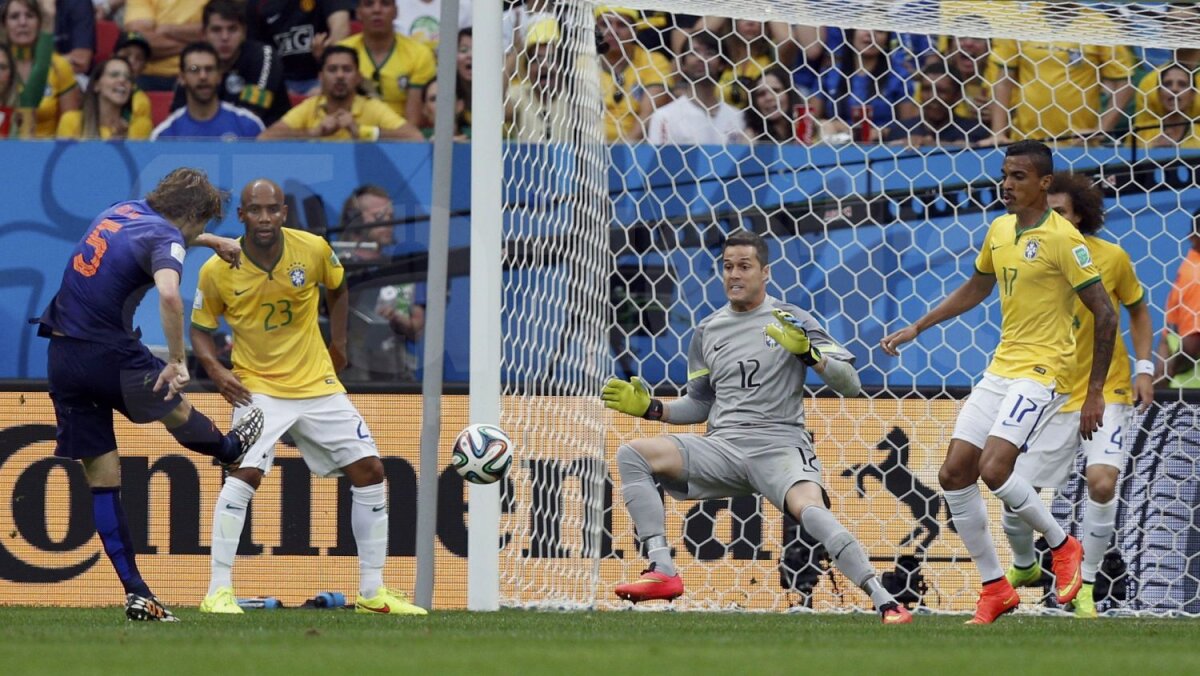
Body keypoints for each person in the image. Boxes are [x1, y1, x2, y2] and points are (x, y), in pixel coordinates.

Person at [602, 229, 912, 624]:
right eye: (727, 266)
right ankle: (662, 569)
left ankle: (885, 600)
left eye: (744, 266)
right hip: (724, 447)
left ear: (765, 272)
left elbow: (850, 384)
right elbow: (700, 403)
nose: (734, 275)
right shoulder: (708, 330)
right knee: (632, 454)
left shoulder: (792, 320)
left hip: (780, 447)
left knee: (811, 511)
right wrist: (652, 408)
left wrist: (809, 354)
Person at [880, 141, 1118, 624]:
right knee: (953, 474)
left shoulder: (1063, 239)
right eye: (1004, 175)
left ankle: (1062, 545)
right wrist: (918, 326)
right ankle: (995, 587)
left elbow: (1106, 314)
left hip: (1044, 370)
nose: (1006, 185)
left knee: (993, 468)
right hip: (1002, 368)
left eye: (1018, 177)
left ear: (1044, 183)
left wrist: (1094, 391)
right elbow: (977, 287)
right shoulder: (1000, 229)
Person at [32, 168, 265, 621]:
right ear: (192, 214)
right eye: (203, 224)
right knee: (174, 404)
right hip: (108, 354)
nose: (199, 232)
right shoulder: (168, 238)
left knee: (103, 481)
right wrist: (177, 360)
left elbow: (150, 239)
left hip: (62, 355)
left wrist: (210, 242)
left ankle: (137, 593)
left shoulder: (120, 211)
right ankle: (228, 448)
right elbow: (171, 295)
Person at [190, 178, 426, 616]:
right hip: (258, 387)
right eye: (255, 210)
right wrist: (216, 370)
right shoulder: (217, 269)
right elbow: (201, 331)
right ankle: (217, 592)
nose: (265, 218)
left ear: (284, 213)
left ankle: (372, 593)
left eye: (273, 209)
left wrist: (339, 343)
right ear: (241, 215)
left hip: (316, 383)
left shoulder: (313, 249)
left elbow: (337, 286)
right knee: (244, 474)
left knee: (371, 470)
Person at [998, 172, 1153, 619]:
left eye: (1061, 212)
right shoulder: (1033, 253)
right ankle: (1025, 565)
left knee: (1102, 482)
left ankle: (1085, 585)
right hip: (1053, 389)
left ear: (1080, 215)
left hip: (1107, 390)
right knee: (1015, 492)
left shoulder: (1112, 258)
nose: (1053, 218)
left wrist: (1145, 368)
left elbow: (1138, 311)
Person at [987, 3, 1134, 144]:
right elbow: (1003, 82)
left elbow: (1124, 84)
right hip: (1026, 139)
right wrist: (998, 133)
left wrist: (1102, 129)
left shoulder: (1100, 25)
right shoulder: (1020, 22)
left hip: (1079, 142)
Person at [338, 185, 426, 382]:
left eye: (390, 216)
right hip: (344, 374)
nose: (388, 223)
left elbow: (416, 329)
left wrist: (397, 317)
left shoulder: (401, 269)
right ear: (355, 219)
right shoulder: (333, 265)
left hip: (391, 374)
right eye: (379, 216)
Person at [259, 45, 421, 140]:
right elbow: (265, 138)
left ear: (358, 77)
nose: (340, 76)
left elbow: (415, 137)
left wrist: (362, 131)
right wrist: (314, 132)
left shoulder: (372, 107)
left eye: (347, 69)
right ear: (321, 77)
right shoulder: (309, 107)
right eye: (332, 69)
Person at [169, 0, 290, 127]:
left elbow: (250, 117)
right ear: (204, 34)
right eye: (216, 30)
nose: (225, 37)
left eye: (232, 29)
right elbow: (178, 117)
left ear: (244, 32)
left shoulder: (263, 56)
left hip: (265, 136)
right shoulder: (195, 63)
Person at [337, 0, 436, 128]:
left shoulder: (419, 54)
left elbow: (413, 122)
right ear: (358, 13)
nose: (377, 10)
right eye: (368, 4)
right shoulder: (341, 52)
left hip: (401, 133)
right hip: (349, 132)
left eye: (385, 4)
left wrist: (371, 134)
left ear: (396, 12)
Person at [646, 33, 747, 145]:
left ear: (722, 64)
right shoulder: (664, 117)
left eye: (710, 53)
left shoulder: (737, 117)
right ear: (683, 65)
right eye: (693, 53)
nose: (701, 58)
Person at [151, 42, 264, 139]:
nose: (203, 76)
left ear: (219, 76)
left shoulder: (249, 125)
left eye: (209, 69)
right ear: (182, 78)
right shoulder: (165, 134)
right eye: (194, 69)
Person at [4, 0, 80, 138]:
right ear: (3, 25)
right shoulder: (2, 66)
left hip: (48, 148)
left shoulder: (59, 65)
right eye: (14, 17)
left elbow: (70, 123)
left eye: (30, 16)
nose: (23, 23)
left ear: (40, 23)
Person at [245, 0, 353, 95]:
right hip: (279, 79)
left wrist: (326, 58)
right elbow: (254, 51)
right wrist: (277, 91)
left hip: (318, 76)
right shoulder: (257, 4)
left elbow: (341, 30)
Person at [884, 61, 988, 147]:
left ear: (958, 96)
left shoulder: (974, 132)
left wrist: (932, 145)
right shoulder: (901, 131)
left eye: (941, 91)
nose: (932, 97)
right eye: (926, 89)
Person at [56, 56, 152, 139]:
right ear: (96, 85)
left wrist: (124, 145)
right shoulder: (72, 122)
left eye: (128, 78)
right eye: (114, 75)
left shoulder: (140, 127)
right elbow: (66, 156)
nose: (122, 80)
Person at [1157, 206, 1200, 388]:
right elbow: (1191, 346)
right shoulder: (1195, 276)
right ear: (1193, 237)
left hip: (1180, 391)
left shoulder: (1188, 270)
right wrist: (1161, 382)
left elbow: (1168, 337)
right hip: (1191, 393)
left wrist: (1160, 379)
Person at [124, 0, 204, 90]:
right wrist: (198, 44)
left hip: (199, 73)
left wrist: (169, 29)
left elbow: (212, 31)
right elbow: (140, 40)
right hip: (149, 76)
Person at [1133, 63, 1200, 149]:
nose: (1174, 89)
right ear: (1158, 93)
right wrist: (1155, 151)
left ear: (1193, 95)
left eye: (1182, 84)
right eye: (1167, 84)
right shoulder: (1141, 132)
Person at [112, 31, 154, 132]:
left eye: (139, 58)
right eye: (126, 56)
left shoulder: (141, 103)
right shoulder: (94, 88)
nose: (131, 61)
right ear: (112, 58)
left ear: (143, 67)